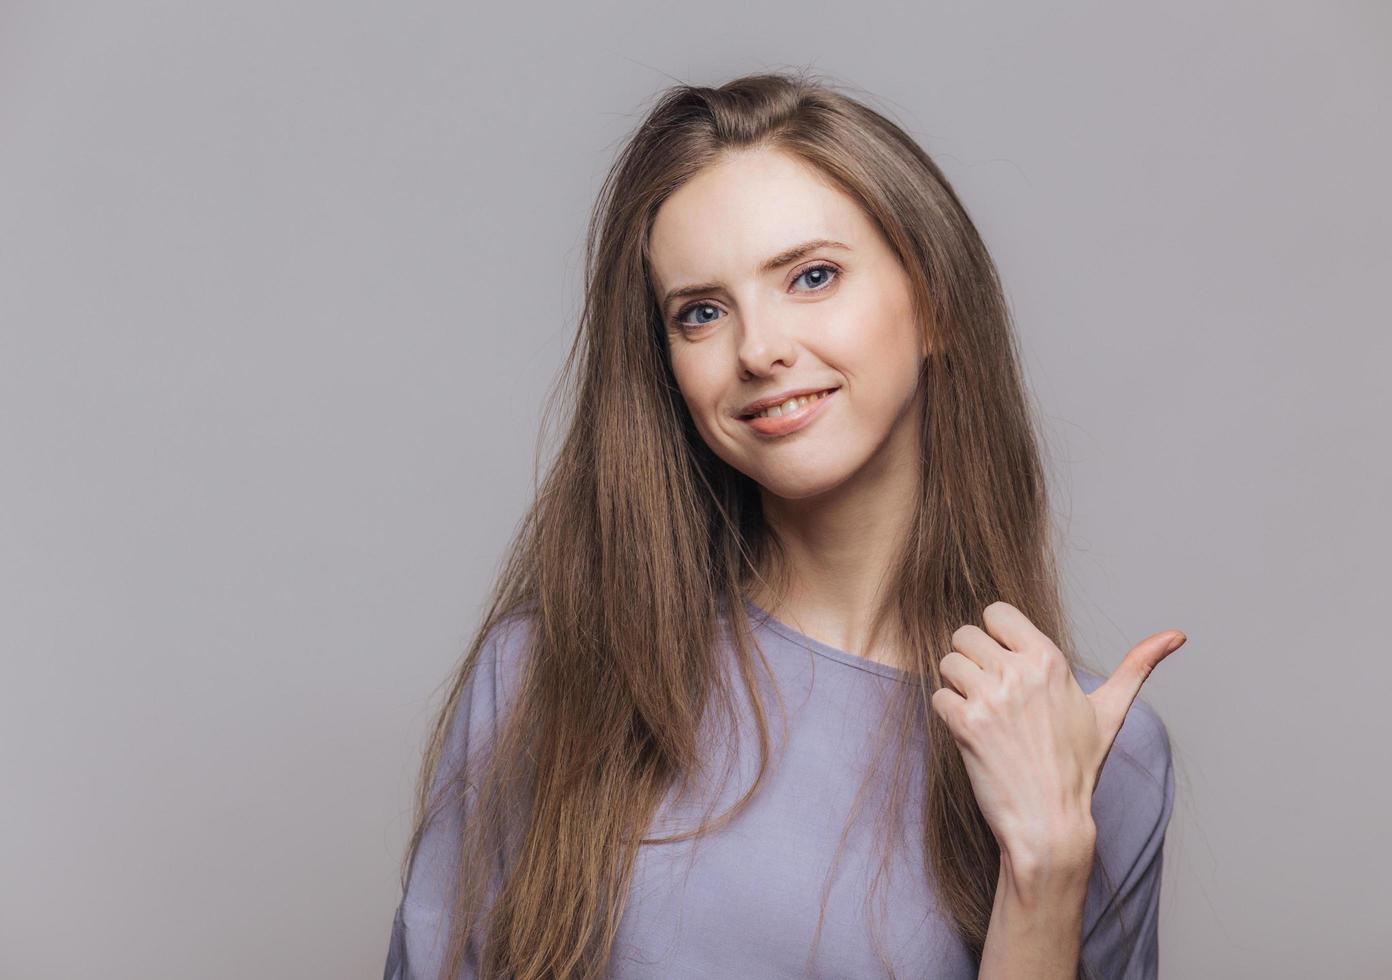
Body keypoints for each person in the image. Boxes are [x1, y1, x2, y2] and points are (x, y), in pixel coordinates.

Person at [382, 69, 1182, 980]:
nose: (758, 349)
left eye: (812, 276)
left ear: (935, 301)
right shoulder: (548, 675)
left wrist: (1046, 863)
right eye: (702, 312)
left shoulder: (1091, 748)